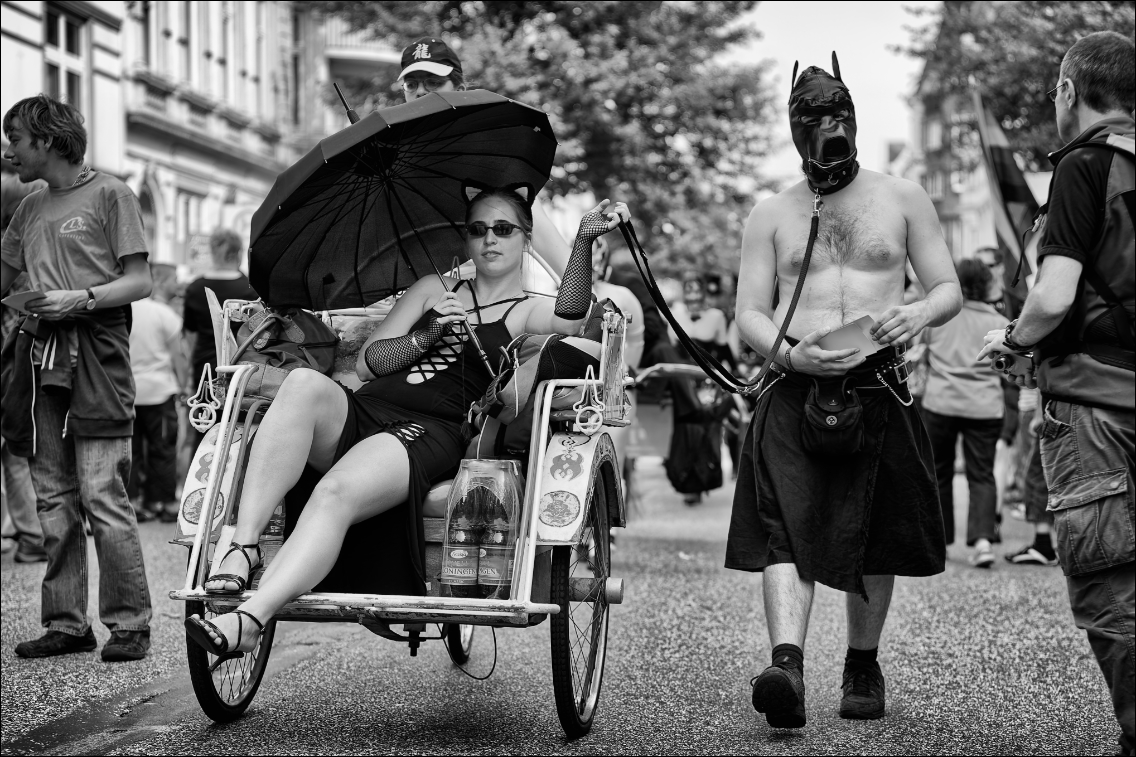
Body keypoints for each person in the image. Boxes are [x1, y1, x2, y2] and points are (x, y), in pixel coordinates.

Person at [183, 190, 630, 658]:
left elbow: (572, 317)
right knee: (300, 384)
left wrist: (583, 237)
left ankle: (251, 618)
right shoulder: (433, 289)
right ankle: (245, 546)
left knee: (335, 490)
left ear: (525, 238)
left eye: (503, 230)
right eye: (477, 230)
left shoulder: (527, 308)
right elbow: (369, 365)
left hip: (428, 429)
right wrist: (431, 331)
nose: (489, 240)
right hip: (367, 408)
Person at [727, 55, 961, 729]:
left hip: (878, 385)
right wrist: (785, 351)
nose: (831, 126)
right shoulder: (770, 212)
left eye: (839, 112)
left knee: (877, 527)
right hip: (794, 385)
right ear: (795, 129)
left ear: (854, 116)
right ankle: (787, 665)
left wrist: (916, 314)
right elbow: (750, 311)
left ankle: (863, 660)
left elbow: (947, 287)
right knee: (783, 529)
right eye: (815, 117)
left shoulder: (903, 197)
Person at [978, 31, 1134, 755]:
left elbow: (1054, 295)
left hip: (1096, 406)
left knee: (1109, 585)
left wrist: (1011, 340)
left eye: (1055, 91)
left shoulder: (1085, 167)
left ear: (1070, 91)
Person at [0, 94, 154, 661]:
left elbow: (139, 282)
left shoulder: (112, 193)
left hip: (97, 353)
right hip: (40, 357)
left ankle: (130, 624)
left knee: (101, 491)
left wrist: (81, 298)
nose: (8, 148)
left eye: (14, 137)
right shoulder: (27, 207)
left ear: (45, 139)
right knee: (52, 496)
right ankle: (66, 623)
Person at [396, 37, 573, 278]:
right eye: (411, 84)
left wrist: (588, 295)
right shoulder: (392, 165)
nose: (420, 92)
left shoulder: (491, 157)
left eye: (433, 82)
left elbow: (544, 237)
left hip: (482, 306)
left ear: (459, 91)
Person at [919, 258, 1009, 568]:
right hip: (984, 406)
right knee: (981, 474)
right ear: (986, 285)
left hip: (940, 403)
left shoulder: (938, 319)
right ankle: (983, 542)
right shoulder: (999, 321)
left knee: (939, 472)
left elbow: (922, 354)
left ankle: (939, 543)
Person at [128, 263, 189, 523]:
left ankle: (133, 502)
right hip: (160, 391)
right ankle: (162, 502)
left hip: (128, 392)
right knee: (163, 447)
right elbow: (179, 356)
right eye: (174, 278)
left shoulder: (125, 310)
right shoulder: (164, 314)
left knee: (131, 451)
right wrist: (184, 386)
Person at [182, 228, 257, 425]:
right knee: (238, 426)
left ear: (213, 252)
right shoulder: (250, 288)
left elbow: (189, 336)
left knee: (204, 423)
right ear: (239, 253)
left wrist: (191, 369)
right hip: (242, 367)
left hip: (205, 368)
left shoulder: (195, 287)